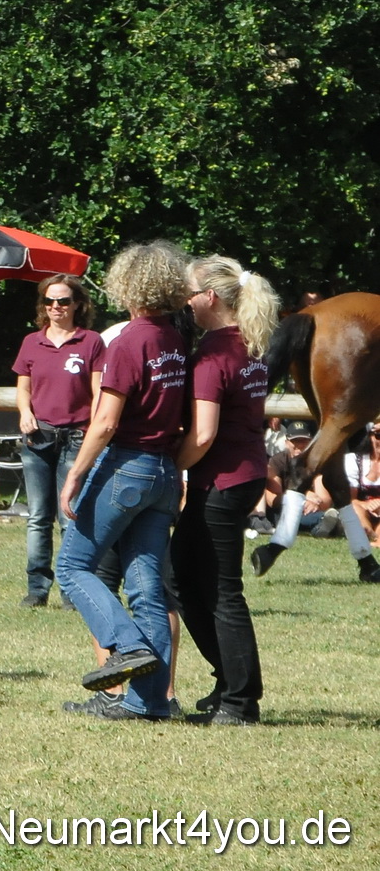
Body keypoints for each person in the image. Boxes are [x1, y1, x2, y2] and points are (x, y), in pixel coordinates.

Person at [56, 241, 189, 721]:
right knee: (146, 587)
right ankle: (150, 703)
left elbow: (107, 420)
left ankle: (126, 644)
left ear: (127, 283)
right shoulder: (174, 339)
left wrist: (75, 473)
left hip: (126, 466)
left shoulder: (129, 340)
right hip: (162, 472)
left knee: (71, 567)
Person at [172, 254, 280, 726]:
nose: (186, 303)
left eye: (190, 295)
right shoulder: (248, 344)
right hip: (243, 473)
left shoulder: (214, 354)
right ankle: (231, 682)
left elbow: (202, 434)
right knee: (179, 577)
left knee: (221, 591)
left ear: (209, 298)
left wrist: (169, 468)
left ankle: (240, 701)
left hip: (221, 480)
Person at [12, 275, 105, 608]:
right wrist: (25, 412)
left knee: (70, 516)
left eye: (63, 301)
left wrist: (96, 428)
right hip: (38, 436)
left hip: (76, 437)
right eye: (50, 301)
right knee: (38, 516)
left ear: (77, 304)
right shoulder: (31, 342)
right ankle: (37, 588)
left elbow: (98, 392)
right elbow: (23, 387)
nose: (56, 307)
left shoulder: (91, 342)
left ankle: (72, 589)